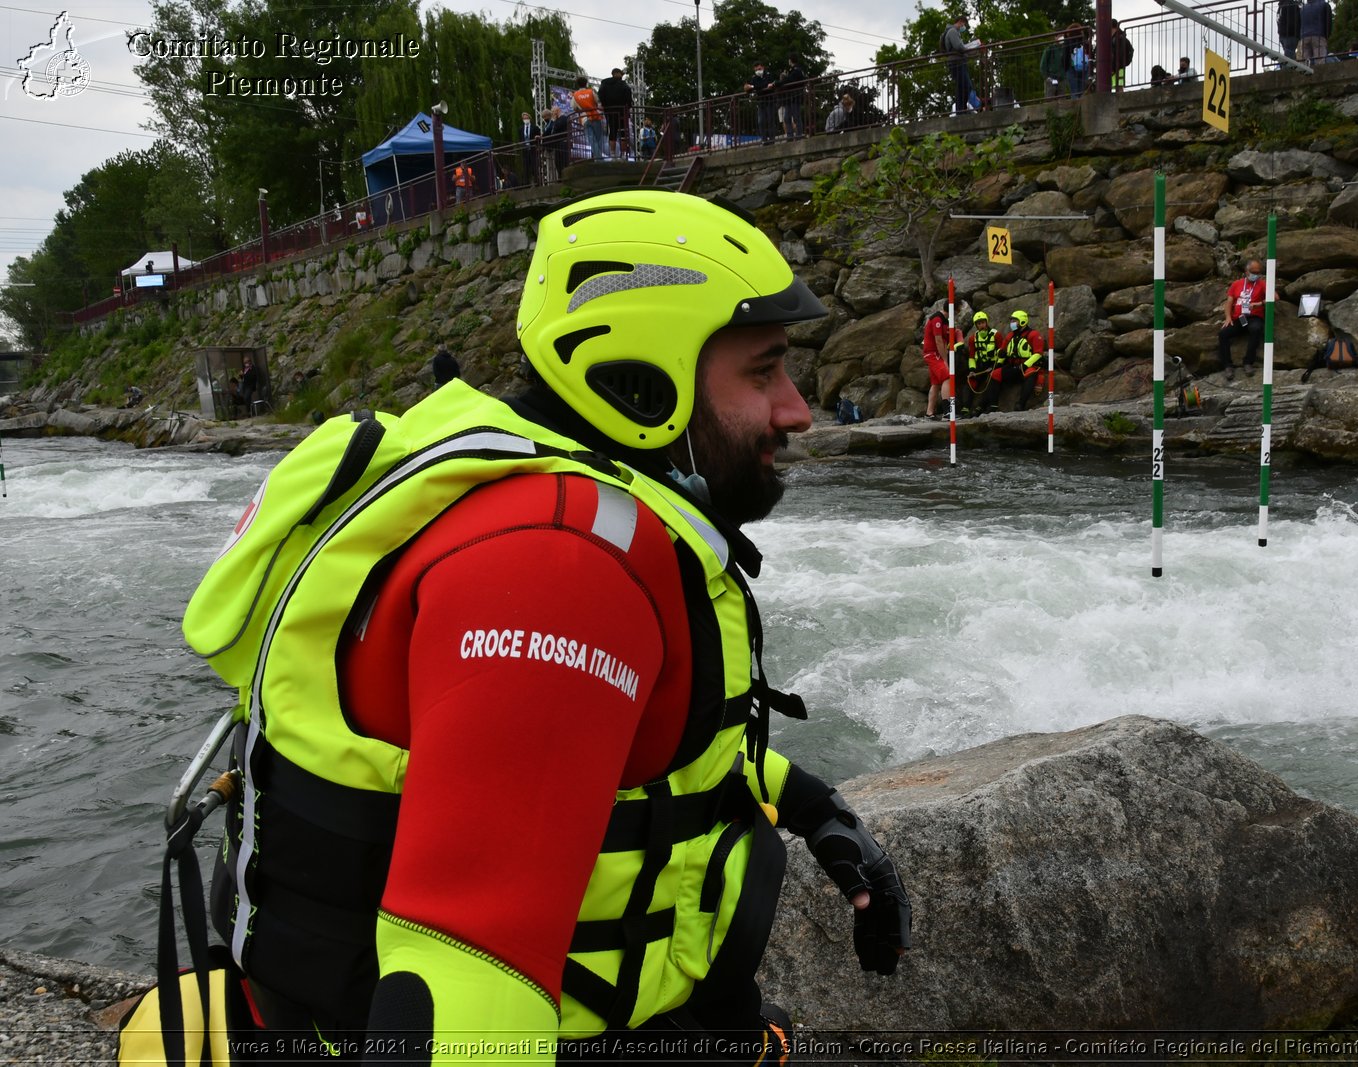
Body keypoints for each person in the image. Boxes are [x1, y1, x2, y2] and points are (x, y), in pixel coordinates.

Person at [172, 191, 913, 1064]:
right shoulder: (558, 571)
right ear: (642, 378)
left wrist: (814, 807)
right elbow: (463, 989)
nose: (797, 410)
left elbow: (602, 753)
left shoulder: (556, 501)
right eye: (763, 372)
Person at [1215, 260, 1278, 380]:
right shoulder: (1236, 284)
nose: (1256, 274)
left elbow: (1275, 297)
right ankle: (1227, 366)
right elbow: (1229, 302)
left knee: (1256, 329)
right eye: (1253, 272)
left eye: (1258, 272)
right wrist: (1228, 317)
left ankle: (1248, 362)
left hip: (1254, 316)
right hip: (1238, 317)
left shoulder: (1262, 284)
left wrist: (1259, 303)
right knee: (1223, 333)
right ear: (1246, 272)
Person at [983, 309, 1044, 413]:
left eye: (1014, 321)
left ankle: (1020, 404)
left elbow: (1038, 354)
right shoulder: (1010, 336)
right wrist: (999, 361)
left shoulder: (1033, 335)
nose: (1012, 323)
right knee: (994, 374)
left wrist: (1024, 366)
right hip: (1012, 366)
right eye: (1011, 321)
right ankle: (992, 405)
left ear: (1022, 321)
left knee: (1031, 374)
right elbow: (1002, 351)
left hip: (1026, 367)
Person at [955, 310, 1002, 412]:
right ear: (976, 325)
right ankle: (966, 407)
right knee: (971, 381)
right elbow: (971, 357)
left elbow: (1001, 353)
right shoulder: (973, 338)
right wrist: (972, 370)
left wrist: (995, 366)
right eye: (979, 323)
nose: (981, 325)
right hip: (979, 365)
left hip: (992, 365)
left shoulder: (996, 335)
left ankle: (980, 406)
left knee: (990, 381)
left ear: (986, 322)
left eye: (983, 322)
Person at [923, 303, 957, 417]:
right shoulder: (937, 319)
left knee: (936, 383)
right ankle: (948, 411)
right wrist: (945, 360)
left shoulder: (945, 321)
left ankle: (929, 412)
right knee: (947, 377)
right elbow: (938, 340)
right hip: (933, 353)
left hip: (934, 353)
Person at [943, 14, 981, 114]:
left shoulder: (954, 32)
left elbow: (959, 47)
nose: (964, 27)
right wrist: (969, 47)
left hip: (959, 62)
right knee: (965, 85)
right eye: (964, 24)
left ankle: (961, 110)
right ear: (960, 22)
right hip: (956, 63)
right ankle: (962, 110)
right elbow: (958, 47)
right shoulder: (952, 31)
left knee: (962, 86)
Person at [598, 67, 634, 158]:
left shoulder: (604, 84)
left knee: (612, 132)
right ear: (618, 74)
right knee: (623, 133)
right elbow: (629, 100)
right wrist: (628, 106)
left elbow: (601, 96)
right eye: (621, 74)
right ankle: (623, 154)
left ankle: (613, 154)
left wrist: (605, 106)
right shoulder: (624, 85)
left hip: (610, 112)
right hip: (622, 112)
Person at [573, 77, 607, 161]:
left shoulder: (575, 95)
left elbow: (574, 107)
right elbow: (597, 101)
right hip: (596, 116)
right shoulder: (591, 91)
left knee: (591, 140)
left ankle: (598, 159)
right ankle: (599, 158)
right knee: (599, 139)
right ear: (586, 83)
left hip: (585, 118)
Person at [743, 61, 778, 143]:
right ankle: (764, 139)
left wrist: (754, 87)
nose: (758, 71)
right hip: (761, 102)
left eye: (759, 69)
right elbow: (749, 88)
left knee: (770, 120)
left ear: (763, 67)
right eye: (756, 70)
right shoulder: (754, 78)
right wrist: (748, 87)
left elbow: (765, 85)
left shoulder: (768, 75)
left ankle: (772, 139)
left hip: (770, 100)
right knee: (761, 121)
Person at [776, 54, 807, 139]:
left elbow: (788, 80)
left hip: (795, 97)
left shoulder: (797, 70)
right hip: (789, 98)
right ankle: (790, 135)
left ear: (790, 60)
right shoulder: (793, 70)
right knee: (786, 117)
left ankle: (799, 134)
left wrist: (777, 83)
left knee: (796, 116)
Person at [542, 106, 571, 178]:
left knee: (564, 162)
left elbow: (557, 129)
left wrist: (555, 122)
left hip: (563, 143)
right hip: (557, 144)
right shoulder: (556, 121)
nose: (552, 114)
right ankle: (561, 178)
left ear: (557, 111)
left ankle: (566, 178)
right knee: (558, 163)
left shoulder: (564, 118)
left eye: (553, 112)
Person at [1107, 20, 1134, 91]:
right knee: (1118, 85)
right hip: (1119, 66)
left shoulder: (1117, 38)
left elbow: (1118, 54)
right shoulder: (1121, 37)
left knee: (1117, 86)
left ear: (1112, 28)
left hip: (1117, 66)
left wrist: (1113, 68)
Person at [1041, 33, 1069, 99]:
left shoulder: (1065, 49)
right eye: (1059, 36)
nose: (1061, 38)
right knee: (1050, 100)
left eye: (1062, 36)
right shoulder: (1049, 49)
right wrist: (1046, 77)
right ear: (1055, 37)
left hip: (1062, 78)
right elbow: (1043, 65)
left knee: (1062, 100)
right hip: (1051, 78)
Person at [1066, 27, 1092, 98]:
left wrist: (1065, 67)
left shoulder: (1068, 42)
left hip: (1071, 67)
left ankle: (1075, 107)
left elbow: (1065, 56)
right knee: (1082, 90)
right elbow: (1090, 54)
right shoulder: (1085, 42)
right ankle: (1082, 105)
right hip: (1084, 67)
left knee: (1074, 90)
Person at [1278, 0, 1302, 65]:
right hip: (1290, 34)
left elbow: (1279, 20)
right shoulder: (1291, 5)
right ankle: (1287, 69)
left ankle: (1288, 68)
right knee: (1290, 54)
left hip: (1283, 34)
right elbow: (1293, 21)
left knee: (1288, 53)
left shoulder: (1281, 6)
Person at [520, 109, 538, 183]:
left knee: (534, 166)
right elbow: (520, 138)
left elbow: (538, 134)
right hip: (525, 150)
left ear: (529, 118)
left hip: (533, 149)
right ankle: (527, 183)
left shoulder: (534, 127)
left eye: (526, 118)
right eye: (524, 118)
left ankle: (537, 181)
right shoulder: (520, 128)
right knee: (526, 167)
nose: (525, 119)